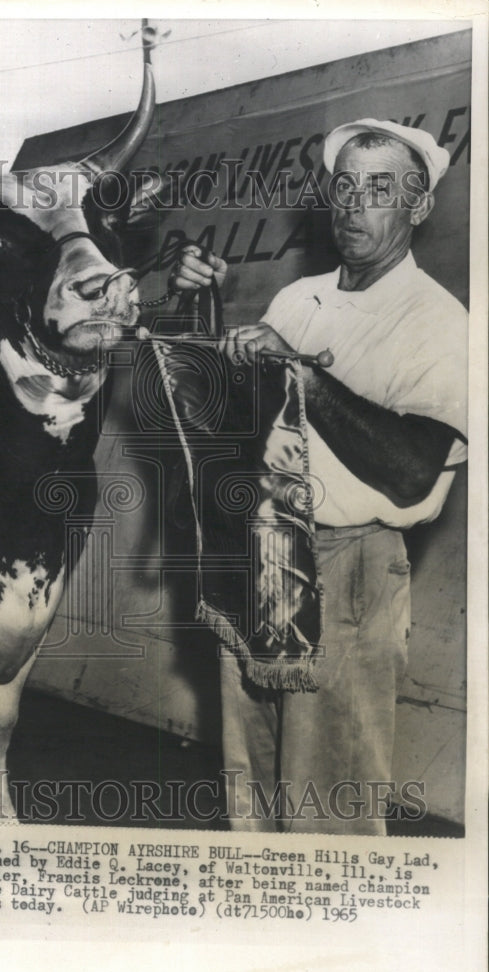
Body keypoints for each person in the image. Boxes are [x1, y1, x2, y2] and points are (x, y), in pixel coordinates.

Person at [171, 119, 468, 834]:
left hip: (351, 568)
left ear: (416, 208)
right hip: (265, 551)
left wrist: (300, 369)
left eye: (378, 189)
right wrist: (203, 311)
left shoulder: (437, 320)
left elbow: (408, 470)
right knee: (253, 789)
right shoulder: (296, 299)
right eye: (343, 186)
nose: (353, 204)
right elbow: (243, 427)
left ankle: (341, 939)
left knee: (328, 802)